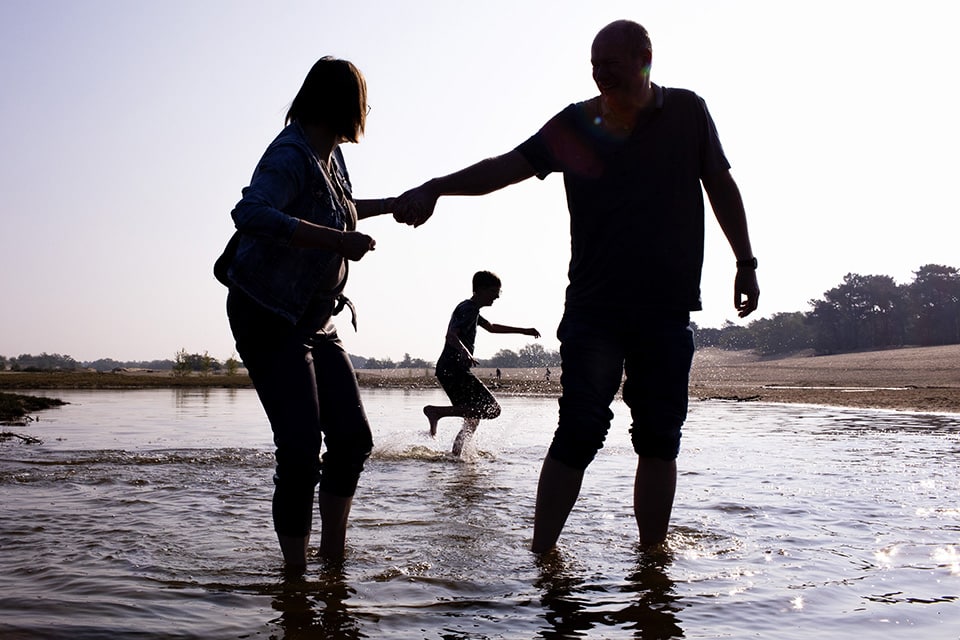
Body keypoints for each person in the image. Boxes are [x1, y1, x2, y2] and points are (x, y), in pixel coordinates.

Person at [394, 20, 759, 553]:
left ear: (644, 59)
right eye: (593, 63)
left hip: (665, 308)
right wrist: (438, 188)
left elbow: (721, 184)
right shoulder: (577, 123)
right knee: (580, 429)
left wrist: (745, 261)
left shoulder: (687, 112)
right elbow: (506, 167)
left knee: (659, 439)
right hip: (594, 310)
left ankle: (651, 563)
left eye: (610, 63)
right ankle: (544, 559)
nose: (599, 73)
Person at [218, 57, 397, 567]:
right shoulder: (292, 152)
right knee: (299, 450)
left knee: (353, 440)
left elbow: (335, 207)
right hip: (268, 314)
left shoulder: (330, 154)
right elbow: (250, 213)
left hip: (317, 318)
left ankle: (332, 561)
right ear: (346, 105)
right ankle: (294, 581)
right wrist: (338, 240)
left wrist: (391, 203)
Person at [424, 270, 541, 456]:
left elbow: (492, 328)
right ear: (480, 289)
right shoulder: (468, 309)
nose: (497, 296)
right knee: (493, 409)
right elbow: (451, 335)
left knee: (473, 417)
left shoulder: (472, 309)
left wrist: (523, 330)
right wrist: (465, 352)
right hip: (453, 368)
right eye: (494, 291)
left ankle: (456, 456)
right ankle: (436, 412)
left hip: (450, 368)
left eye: (499, 292)